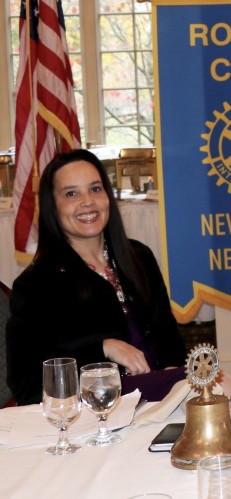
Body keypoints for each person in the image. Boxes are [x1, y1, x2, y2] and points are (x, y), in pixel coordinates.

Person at [7, 148, 187, 405]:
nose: (87, 202)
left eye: (95, 189)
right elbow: (27, 384)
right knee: (215, 383)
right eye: (71, 193)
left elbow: (170, 339)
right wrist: (103, 348)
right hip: (100, 405)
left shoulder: (139, 257)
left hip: (158, 397)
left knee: (210, 383)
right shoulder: (37, 284)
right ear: (53, 208)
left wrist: (173, 374)